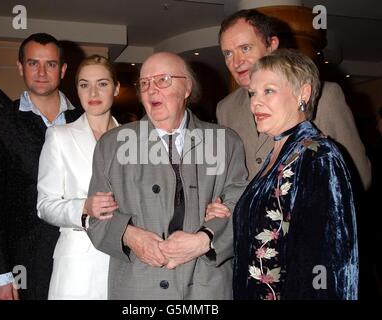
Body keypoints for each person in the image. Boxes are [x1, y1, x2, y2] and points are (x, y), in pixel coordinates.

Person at [87, 52, 248, 299]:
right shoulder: (112, 145)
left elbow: (242, 205)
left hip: (206, 288)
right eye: (144, 83)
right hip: (137, 289)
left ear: (186, 88)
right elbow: (96, 217)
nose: (151, 90)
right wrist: (129, 235)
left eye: (163, 80)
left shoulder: (225, 142)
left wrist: (205, 239)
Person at [208, 49, 358, 299]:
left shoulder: (318, 155)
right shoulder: (276, 155)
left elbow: (328, 264)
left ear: (303, 93)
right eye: (252, 93)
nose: (255, 102)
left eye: (268, 90)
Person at [0, 33, 81, 300]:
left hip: (81, 254)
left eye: (51, 64)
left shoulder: (85, 119)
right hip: (24, 262)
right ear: (20, 67)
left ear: (63, 69)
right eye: (33, 63)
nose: (42, 72)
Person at [216, 9, 371, 190]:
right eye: (228, 53)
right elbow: (230, 178)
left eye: (245, 48)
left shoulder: (325, 96)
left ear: (272, 44)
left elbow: (359, 175)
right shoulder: (225, 108)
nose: (236, 62)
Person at [36, 55, 120, 299]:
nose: (92, 91)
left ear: (116, 88)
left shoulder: (134, 139)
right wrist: (83, 207)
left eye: (102, 83)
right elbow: (45, 206)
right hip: (78, 266)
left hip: (124, 261)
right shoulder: (59, 137)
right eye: (84, 84)